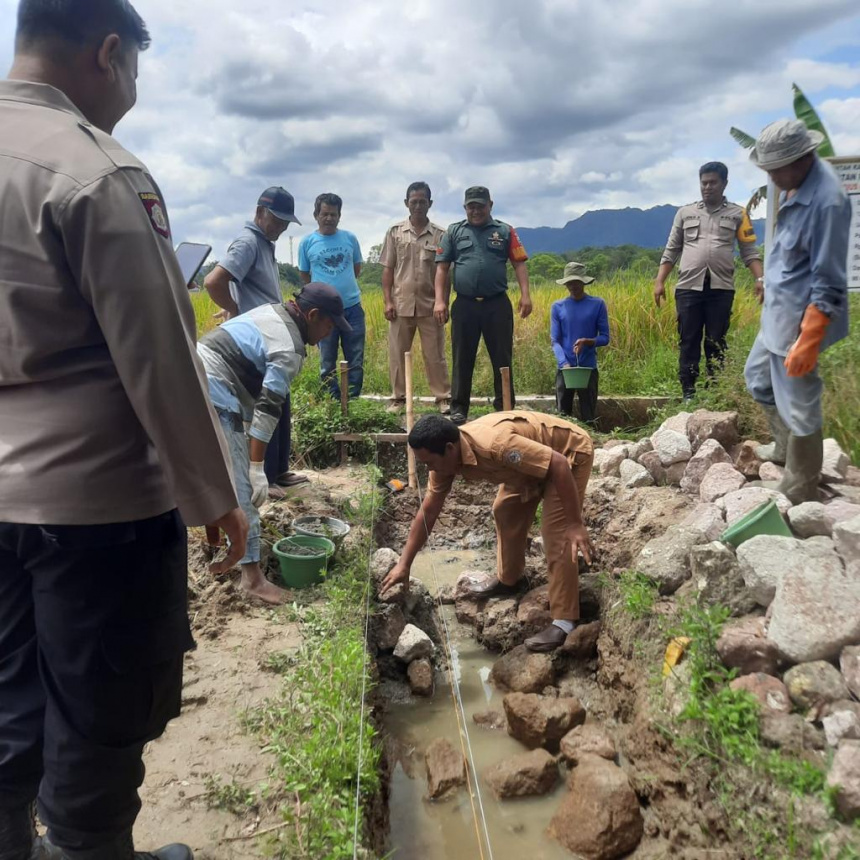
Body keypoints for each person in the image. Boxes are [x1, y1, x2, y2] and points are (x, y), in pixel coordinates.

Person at [0, 2, 247, 859]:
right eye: (137, 69)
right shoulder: (98, 174)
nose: (133, 91)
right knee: (99, 714)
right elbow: (161, 359)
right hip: (94, 510)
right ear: (108, 53)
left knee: (6, 704)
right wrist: (215, 496)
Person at [381, 412, 594, 653]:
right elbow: (428, 512)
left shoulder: (496, 446)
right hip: (525, 467)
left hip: (567, 455)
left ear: (450, 449)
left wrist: (575, 524)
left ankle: (564, 622)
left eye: (429, 462)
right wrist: (404, 564)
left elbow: (558, 464)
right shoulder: (442, 461)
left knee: (557, 532)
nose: (429, 468)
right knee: (504, 510)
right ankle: (509, 580)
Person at [197, 283, 351, 604]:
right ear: (312, 315)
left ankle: (214, 550)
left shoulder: (273, 312)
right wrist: (256, 469)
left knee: (212, 472)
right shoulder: (290, 347)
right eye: (328, 325)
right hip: (213, 386)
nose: (329, 334)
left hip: (194, 375)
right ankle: (252, 578)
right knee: (243, 490)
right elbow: (268, 410)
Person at [743, 119, 851, 503]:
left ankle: (802, 483)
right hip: (778, 310)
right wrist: (767, 282)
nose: (770, 177)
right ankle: (784, 447)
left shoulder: (828, 202)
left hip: (798, 323)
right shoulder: (794, 186)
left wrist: (808, 340)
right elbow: (792, 256)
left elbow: (829, 282)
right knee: (757, 377)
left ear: (802, 158)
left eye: (775, 169)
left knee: (800, 402)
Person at [204, 187, 307, 497]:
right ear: (260, 213)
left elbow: (242, 285)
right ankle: (266, 476)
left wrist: (233, 304)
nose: (281, 228)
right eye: (277, 221)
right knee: (268, 403)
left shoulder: (264, 243)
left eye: (286, 223)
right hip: (259, 342)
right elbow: (214, 281)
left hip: (273, 334)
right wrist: (234, 311)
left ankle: (279, 470)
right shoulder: (248, 242)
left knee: (281, 399)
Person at [654, 162, 764, 399]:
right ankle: (689, 392)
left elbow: (749, 250)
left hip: (721, 288)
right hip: (688, 287)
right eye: (704, 182)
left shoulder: (739, 214)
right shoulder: (685, 213)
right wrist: (660, 281)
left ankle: (715, 391)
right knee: (688, 339)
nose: (707, 187)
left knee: (716, 340)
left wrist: (760, 278)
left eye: (713, 182)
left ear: (724, 183)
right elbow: (672, 249)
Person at [434, 186, 532, 425]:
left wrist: (525, 295)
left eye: (480, 205)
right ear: (465, 207)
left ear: (490, 205)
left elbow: (519, 264)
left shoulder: (505, 231)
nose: (476, 210)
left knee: (502, 357)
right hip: (465, 305)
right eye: (471, 206)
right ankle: (459, 408)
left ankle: (505, 406)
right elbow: (442, 268)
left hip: (496, 304)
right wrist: (440, 301)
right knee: (462, 357)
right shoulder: (453, 232)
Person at [380, 182, 451, 414]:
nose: (418, 206)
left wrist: (444, 302)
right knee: (398, 355)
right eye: (414, 202)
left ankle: (442, 398)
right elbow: (388, 270)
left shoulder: (441, 235)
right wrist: (388, 301)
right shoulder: (395, 233)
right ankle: (399, 399)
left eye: (422, 201)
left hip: (431, 306)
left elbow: (445, 272)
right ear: (406, 203)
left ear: (430, 204)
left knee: (435, 354)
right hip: (400, 305)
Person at [297, 193, 365, 399]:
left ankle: (352, 400)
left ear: (339, 216)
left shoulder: (350, 239)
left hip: (352, 308)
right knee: (327, 361)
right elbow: (304, 274)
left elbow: (356, 269)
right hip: (323, 313)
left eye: (333, 214)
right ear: (316, 215)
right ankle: (332, 401)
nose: (329, 218)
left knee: (356, 358)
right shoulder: (307, 242)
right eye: (325, 214)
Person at [551, 261, 610, 427]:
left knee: (588, 416)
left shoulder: (597, 304)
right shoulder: (558, 307)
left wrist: (588, 341)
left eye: (576, 282)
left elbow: (605, 337)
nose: (573, 286)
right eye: (570, 282)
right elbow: (555, 341)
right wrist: (565, 363)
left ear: (583, 282)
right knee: (563, 417)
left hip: (588, 368)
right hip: (565, 369)